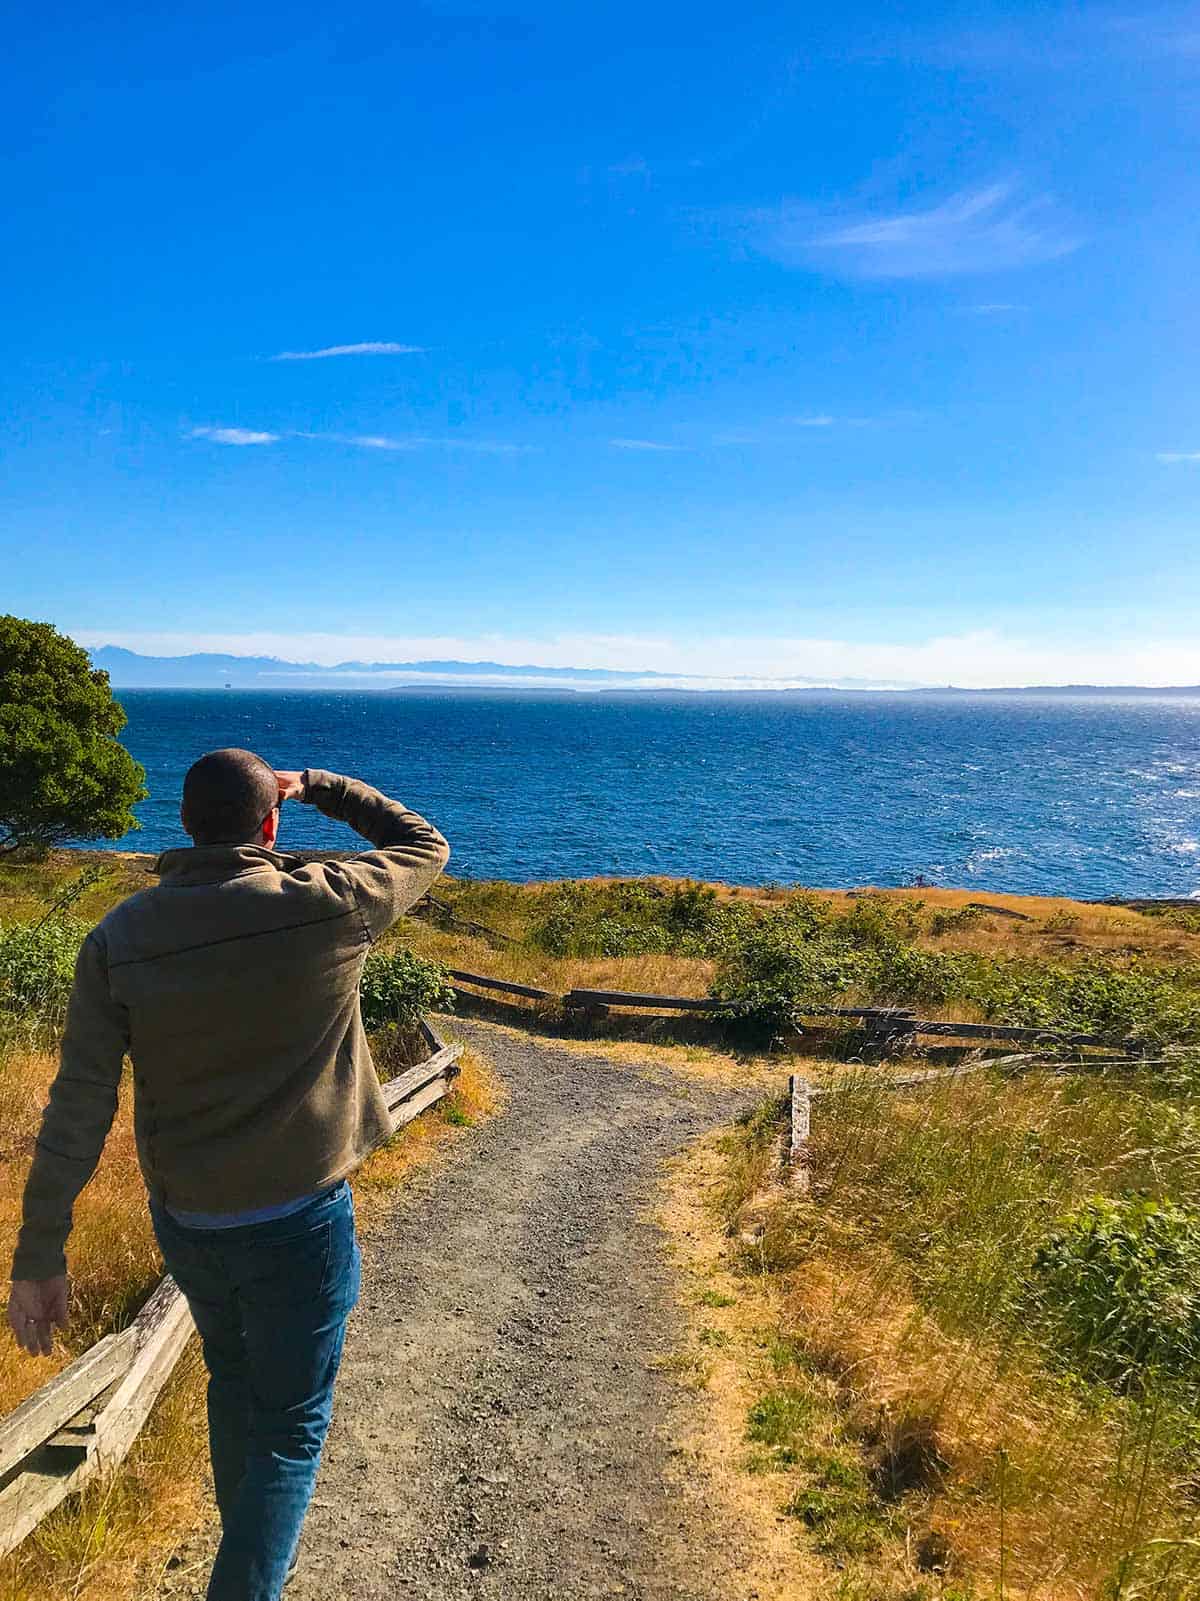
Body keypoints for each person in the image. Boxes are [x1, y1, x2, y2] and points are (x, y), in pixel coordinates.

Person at [7, 752, 450, 1601]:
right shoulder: (331, 903)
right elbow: (422, 842)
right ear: (270, 825)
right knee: (290, 1426)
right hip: (301, 1220)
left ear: (184, 824)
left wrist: (40, 1251)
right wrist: (321, 783)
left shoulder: (120, 939)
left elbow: (77, 1108)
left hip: (192, 1224)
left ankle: (246, 1552)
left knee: (233, 1382)